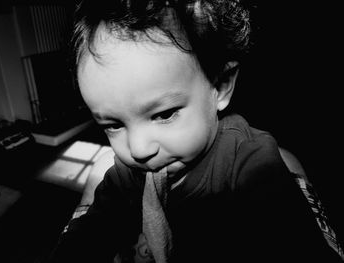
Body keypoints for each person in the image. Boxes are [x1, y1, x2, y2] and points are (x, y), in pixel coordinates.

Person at [48, 0, 344, 262]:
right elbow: (90, 231)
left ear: (220, 86)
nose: (138, 149)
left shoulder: (252, 163)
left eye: (164, 114)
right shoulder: (127, 173)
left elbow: (299, 245)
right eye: (113, 124)